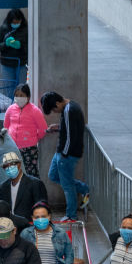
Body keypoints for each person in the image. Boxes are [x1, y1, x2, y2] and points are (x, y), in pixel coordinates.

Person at [41, 91, 90, 222]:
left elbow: (71, 136)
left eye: (53, 109)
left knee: (67, 186)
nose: (55, 112)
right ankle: (83, 188)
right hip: (63, 152)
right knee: (53, 176)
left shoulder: (69, 110)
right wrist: (57, 127)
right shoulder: (70, 106)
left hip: (66, 154)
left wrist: (64, 154)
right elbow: (70, 129)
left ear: (57, 103)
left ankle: (71, 216)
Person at [4, 84, 49, 177]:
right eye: (16, 95)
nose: (18, 98)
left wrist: (33, 138)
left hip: (29, 149)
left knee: (31, 174)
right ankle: (17, 192)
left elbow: (43, 129)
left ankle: (34, 191)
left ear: (28, 97)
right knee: (14, 174)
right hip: (13, 148)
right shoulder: (10, 109)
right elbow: (6, 126)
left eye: (21, 95)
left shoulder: (35, 111)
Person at [0, 151, 48, 222]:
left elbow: (42, 208)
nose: (9, 168)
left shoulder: (35, 183)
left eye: (12, 165)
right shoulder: (3, 186)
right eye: (6, 167)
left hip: (28, 225)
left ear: (19, 164)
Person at [0, 8, 29, 85]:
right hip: (7, 64)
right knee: (8, 88)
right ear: (10, 21)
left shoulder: (26, 30)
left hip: (21, 64)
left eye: (18, 22)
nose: (16, 24)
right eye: (14, 22)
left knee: (21, 87)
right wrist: (6, 44)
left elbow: (30, 48)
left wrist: (20, 46)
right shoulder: (3, 29)